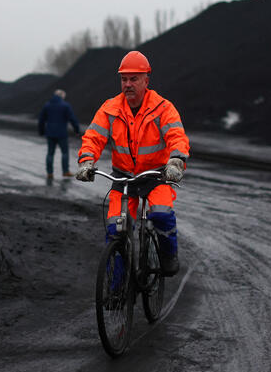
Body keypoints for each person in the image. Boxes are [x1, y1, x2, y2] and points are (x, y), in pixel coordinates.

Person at [76, 51, 190, 276]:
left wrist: (176, 161)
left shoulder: (163, 108)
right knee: (115, 229)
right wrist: (86, 161)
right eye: (124, 79)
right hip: (124, 178)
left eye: (133, 78)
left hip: (156, 176)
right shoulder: (110, 108)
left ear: (146, 80)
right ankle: (118, 289)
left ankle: (168, 256)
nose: (127, 84)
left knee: (161, 214)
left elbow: (177, 136)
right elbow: (93, 137)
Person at [38, 88, 80, 179]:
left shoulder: (47, 105)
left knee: (50, 153)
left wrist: (41, 131)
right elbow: (72, 119)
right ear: (62, 96)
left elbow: (41, 120)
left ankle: (50, 173)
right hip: (62, 133)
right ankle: (65, 171)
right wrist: (77, 130)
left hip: (50, 133)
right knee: (64, 153)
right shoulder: (65, 106)